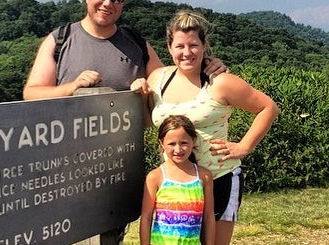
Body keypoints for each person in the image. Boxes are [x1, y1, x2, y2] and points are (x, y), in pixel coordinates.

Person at [131, 10, 279, 244]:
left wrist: (244, 146)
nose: (187, 53)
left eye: (193, 45)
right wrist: (140, 95)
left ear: (203, 46)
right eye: (180, 46)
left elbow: (268, 108)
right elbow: (149, 121)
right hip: (176, 183)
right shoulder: (157, 79)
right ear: (169, 48)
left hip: (219, 177)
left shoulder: (220, 82)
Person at [22, 0, 227, 102]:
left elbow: (171, 84)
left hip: (125, 161)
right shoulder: (59, 39)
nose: (108, 3)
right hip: (69, 159)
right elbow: (31, 93)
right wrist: (72, 87)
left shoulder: (136, 43)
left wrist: (205, 64)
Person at [139, 115, 215, 245]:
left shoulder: (204, 176)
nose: (178, 149)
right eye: (171, 144)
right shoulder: (155, 177)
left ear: (193, 141)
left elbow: (209, 216)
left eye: (184, 143)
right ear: (161, 144)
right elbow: (146, 218)